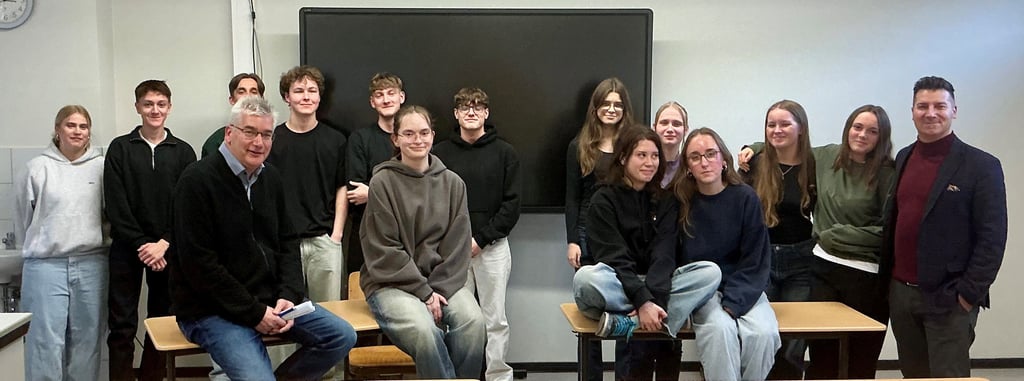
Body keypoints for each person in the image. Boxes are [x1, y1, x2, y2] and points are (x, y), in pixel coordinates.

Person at [169, 96, 356, 380]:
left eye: (267, 134)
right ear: (229, 133)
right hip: (210, 310)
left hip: (269, 301)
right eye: (250, 132)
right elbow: (200, 266)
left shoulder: (271, 180)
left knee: (341, 336)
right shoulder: (196, 182)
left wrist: (287, 294)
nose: (259, 142)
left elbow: (287, 243)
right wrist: (254, 313)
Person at [739, 104, 896, 378]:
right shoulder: (771, 163)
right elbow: (776, 143)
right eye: (857, 127)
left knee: (796, 345)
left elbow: (890, 227)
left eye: (872, 131)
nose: (862, 134)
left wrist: (839, 233)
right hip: (781, 260)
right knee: (765, 338)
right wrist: (751, 146)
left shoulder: (871, 169)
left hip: (814, 264)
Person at [880, 76, 1007, 378]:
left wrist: (967, 295)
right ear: (912, 111)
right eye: (922, 106)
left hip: (949, 297)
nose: (931, 113)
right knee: (913, 375)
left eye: (940, 105)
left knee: (948, 377)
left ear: (954, 110)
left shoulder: (981, 165)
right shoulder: (904, 157)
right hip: (902, 294)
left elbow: (992, 237)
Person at [572, 125, 720, 381]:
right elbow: (614, 258)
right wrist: (642, 301)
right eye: (642, 155)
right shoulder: (603, 199)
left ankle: (632, 321)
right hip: (616, 282)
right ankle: (658, 316)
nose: (650, 162)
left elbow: (664, 254)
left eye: (655, 156)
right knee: (585, 279)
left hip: (657, 285)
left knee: (710, 272)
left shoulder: (665, 200)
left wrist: (654, 301)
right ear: (623, 158)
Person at [360, 105, 485, 379]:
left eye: (424, 132)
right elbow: (384, 248)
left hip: (443, 282)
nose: (418, 140)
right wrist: (424, 293)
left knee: (474, 323)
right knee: (424, 331)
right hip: (391, 283)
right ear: (396, 139)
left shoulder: (453, 184)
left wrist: (436, 290)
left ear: (433, 135)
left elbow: (457, 247)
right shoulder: (382, 182)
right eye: (409, 133)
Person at [104, 79, 196, 380]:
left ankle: (152, 376)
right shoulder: (120, 148)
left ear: (169, 107)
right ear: (137, 108)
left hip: (167, 251)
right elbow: (116, 205)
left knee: (162, 322)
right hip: (128, 249)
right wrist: (143, 245)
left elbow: (187, 206)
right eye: (148, 104)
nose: (154, 110)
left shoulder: (183, 152)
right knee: (122, 325)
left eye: (160, 104)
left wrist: (165, 242)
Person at [673, 127, 781, 381]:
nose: (705, 162)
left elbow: (756, 260)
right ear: (688, 166)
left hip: (745, 286)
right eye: (695, 157)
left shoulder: (746, 198)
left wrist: (733, 304)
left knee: (763, 334)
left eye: (711, 154)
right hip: (703, 291)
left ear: (723, 159)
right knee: (719, 331)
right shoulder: (681, 201)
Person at [432, 87, 522, 381]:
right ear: (456, 114)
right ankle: (461, 376)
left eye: (478, 107)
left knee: (494, 319)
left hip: (493, 249)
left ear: (486, 113)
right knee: (456, 319)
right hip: (450, 251)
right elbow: (433, 202)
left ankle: (498, 376)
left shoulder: (505, 153)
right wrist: (457, 243)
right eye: (465, 107)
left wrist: (481, 240)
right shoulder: (440, 153)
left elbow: (512, 205)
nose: (471, 112)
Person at [14, 105, 108, 381]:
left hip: (92, 263)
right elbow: (23, 221)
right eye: (70, 125)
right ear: (58, 130)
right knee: (44, 342)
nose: (77, 131)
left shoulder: (101, 167)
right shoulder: (36, 169)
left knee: (87, 341)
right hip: (45, 266)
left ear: (89, 132)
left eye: (83, 126)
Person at [565, 77, 636, 381]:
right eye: (605, 103)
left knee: (625, 306)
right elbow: (571, 197)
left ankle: (624, 376)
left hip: (624, 234)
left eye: (617, 104)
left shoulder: (632, 145)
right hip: (586, 232)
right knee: (591, 311)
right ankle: (591, 376)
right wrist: (571, 240)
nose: (611, 109)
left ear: (624, 109)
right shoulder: (579, 146)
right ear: (595, 108)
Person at [740, 99, 816, 378]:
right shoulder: (755, 164)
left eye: (785, 124)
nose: (777, 130)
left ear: (801, 128)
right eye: (771, 124)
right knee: (760, 337)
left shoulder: (814, 165)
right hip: (763, 257)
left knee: (794, 345)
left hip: (802, 262)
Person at [266, 65, 347, 303]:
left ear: (320, 97)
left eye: (312, 90)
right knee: (284, 320)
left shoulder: (336, 140)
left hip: (324, 242)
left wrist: (336, 235)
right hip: (282, 245)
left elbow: (341, 187)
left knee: (329, 318)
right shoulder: (271, 140)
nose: (306, 96)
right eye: (299, 90)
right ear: (286, 97)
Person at [346, 72, 406, 286]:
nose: (386, 99)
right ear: (372, 102)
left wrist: (371, 192)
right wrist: (400, 195)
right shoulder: (360, 139)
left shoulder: (412, 137)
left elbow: (419, 188)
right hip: (366, 231)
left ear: (402, 97)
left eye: (391, 93)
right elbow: (355, 191)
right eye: (379, 95)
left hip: (406, 233)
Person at [200, 73, 266, 158]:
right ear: (232, 100)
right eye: (241, 92)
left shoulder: (273, 139)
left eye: (253, 92)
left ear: (261, 99)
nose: (248, 96)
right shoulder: (215, 142)